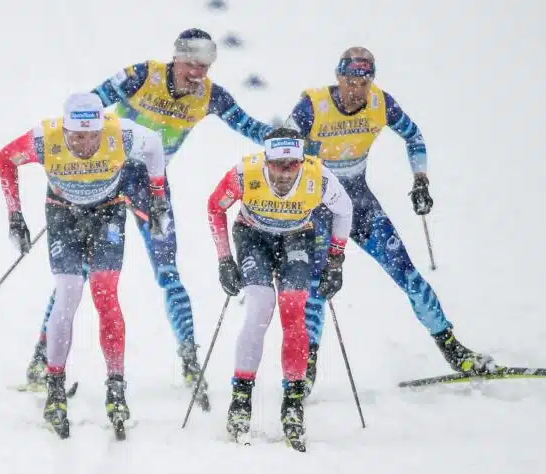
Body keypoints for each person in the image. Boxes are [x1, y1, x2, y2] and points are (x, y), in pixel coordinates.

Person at [24, 29, 274, 409]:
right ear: (176, 58)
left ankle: (189, 358)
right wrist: (71, 167)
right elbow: (86, 109)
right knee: (76, 275)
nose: (197, 74)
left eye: (205, 66)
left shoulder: (211, 96)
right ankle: (42, 357)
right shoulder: (141, 76)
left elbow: (250, 127)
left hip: (149, 186)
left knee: (167, 270)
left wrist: (290, 140)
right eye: (191, 64)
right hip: (104, 178)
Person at [284, 47, 496, 397]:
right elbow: (280, 151)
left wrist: (420, 180)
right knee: (318, 288)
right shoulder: (313, 105)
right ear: (338, 78)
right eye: (350, 82)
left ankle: (454, 350)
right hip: (317, 209)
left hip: (359, 205)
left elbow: (414, 136)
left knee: (408, 274)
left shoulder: (380, 103)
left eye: (364, 83)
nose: (356, 90)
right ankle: (306, 370)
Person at [0, 92, 167, 439]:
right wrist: (15, 216)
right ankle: (55, 387)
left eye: (92, 136)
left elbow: (154, 147)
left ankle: (116, 387)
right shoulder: (44, 138)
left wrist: (158, 198)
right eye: (76, 137)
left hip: (108, 211)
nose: (85, 144)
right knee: (69, 292)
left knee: (105, 294)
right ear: (65, 129)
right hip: (63, 213)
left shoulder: (122, 133)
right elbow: (5, 158)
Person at [206, 128, 353, 451]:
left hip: (298, 236)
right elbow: (215, 207)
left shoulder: (318, 176)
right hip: (253, 236)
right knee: (260, 306)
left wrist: (336, 261)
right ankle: (240, 399)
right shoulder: (245, 173)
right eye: (277, 165)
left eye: (292, 165)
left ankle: (293, 403)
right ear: (266, 160)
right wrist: (224, 259)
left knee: (293, 309)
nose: (285, 173)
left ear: (301, 160)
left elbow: (344, 209)